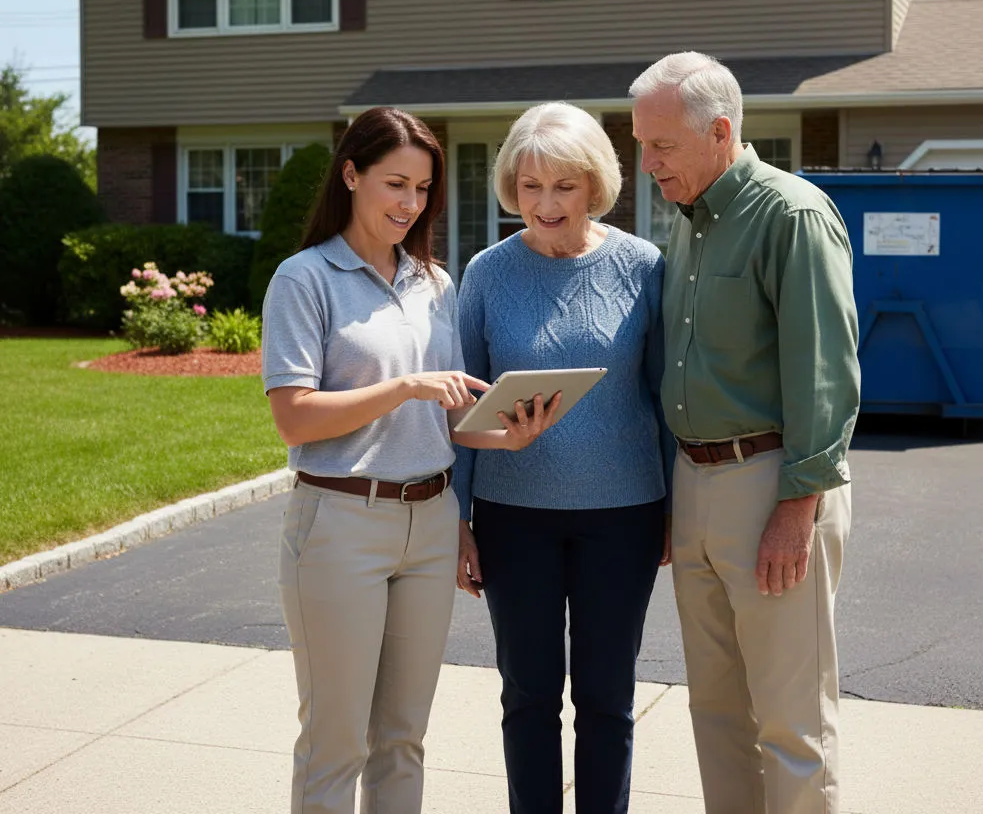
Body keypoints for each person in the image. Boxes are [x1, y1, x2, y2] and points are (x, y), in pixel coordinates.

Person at [261, 106, 558, 814]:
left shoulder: (434, 282)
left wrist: (505, 434)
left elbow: (451, 418)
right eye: (395, 184)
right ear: (351, 174)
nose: (409, 204)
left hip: (429, 526)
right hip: (338, 523)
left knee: (403, 738)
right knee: (336, 741)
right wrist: (404, 387)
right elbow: (292, 415)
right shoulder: (305, 279)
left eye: (422, 190)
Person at [629, 53, 860, 814]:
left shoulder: (791, 215)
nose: (647, 162)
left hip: (773, 487)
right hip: (695, 489)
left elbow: (825, 373)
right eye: (641, 143)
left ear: (720, 131)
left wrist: (798, 509)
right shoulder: (689, 223)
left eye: (661, 145)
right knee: (716, 712)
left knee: (792, 722)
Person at [454, 101, 677, 814]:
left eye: (563, 187)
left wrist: (675, 507)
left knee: (608, 697)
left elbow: (663, 397)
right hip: (513, 516)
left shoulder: (643, 267)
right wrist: (459, 520)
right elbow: (458, 407)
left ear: (595, 186)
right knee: (527, 694)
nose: (545, 206)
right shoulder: (487, 274)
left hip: (625, 513)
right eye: (529, 187)